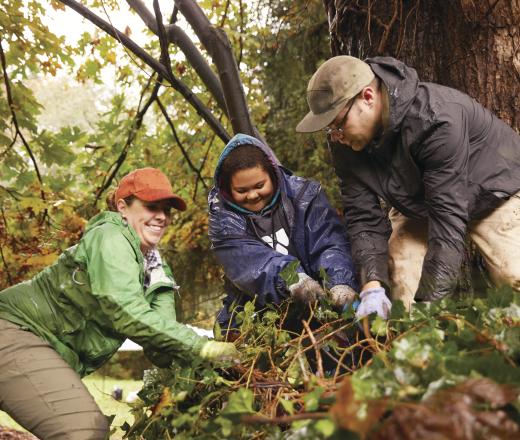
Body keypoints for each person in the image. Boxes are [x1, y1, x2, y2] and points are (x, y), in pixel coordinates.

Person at [0, 167, 239, 440]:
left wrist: (215, 371)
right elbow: (124, 310)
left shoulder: (157, 271)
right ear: (123, 207)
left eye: (167, 210)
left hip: (38, 346)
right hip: (15, 332)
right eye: (151, 207)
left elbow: (161, 347)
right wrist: (203, 346)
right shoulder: (109, 236)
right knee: (82, 430)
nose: (161, 216)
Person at [296, 55, 520, 312]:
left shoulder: (436, 119)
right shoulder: (345, 140)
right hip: (420, 200)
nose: (336, 137)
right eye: (329, 130)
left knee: (515, 274)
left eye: (338, 124)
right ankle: (413, 346)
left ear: (367, 97)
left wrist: (428, 309)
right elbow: (362, 218)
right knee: (401, 276)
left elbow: (446, 224)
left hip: (494, 192)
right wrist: (372, 286)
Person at [208, 133, 358, 336]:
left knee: (358, 329)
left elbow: (329, 242)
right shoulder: (222, 220)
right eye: (242, 190)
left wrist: (340, 280)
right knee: (229, 343)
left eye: (259, 185)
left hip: (320, 299)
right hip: (260, 312)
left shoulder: (305, 194)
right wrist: (291, 278)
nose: (253, 195)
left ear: (272, 174)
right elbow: (251, 262)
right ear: (228, 188)